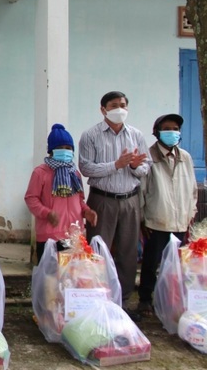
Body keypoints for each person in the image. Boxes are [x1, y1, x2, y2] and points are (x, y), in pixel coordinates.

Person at [78, 91, 151, 321]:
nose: (119, 109)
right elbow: (86, 168)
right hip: (102, 200)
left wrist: (134, 167)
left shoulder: (136, 135)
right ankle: (94, 301)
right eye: (114, 105)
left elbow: (146, 167)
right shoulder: (90, 136)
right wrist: (116, 165)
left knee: (128, 253)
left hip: (130, 200)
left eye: (123, 105)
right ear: (103, 109)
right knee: (98, 250)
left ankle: (123, 302)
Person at [137, 113, 197, 317]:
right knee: (151, 261)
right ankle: (145, 299)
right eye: (168, 128)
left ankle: (170, 300)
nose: (173, 132)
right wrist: (142, 219)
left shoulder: (185, 157)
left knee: (176, 266)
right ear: (157, 132)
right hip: (156, 220)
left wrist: (191, 213)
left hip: (180, 220)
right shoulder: (149, 157)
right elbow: (142, 190)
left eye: (176, 129)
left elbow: (192, 189)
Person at [25, 123, 98, 263]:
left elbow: (79, 201)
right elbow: (31, 199)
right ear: (51, 150)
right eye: (60, 148)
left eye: (68, 148)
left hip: (73, 236)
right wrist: (47, 213)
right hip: (49, 236)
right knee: (50, 279)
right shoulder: (40, 173)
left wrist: (87, 212)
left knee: (72, 276)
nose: (65, 151)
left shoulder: (75, 174)